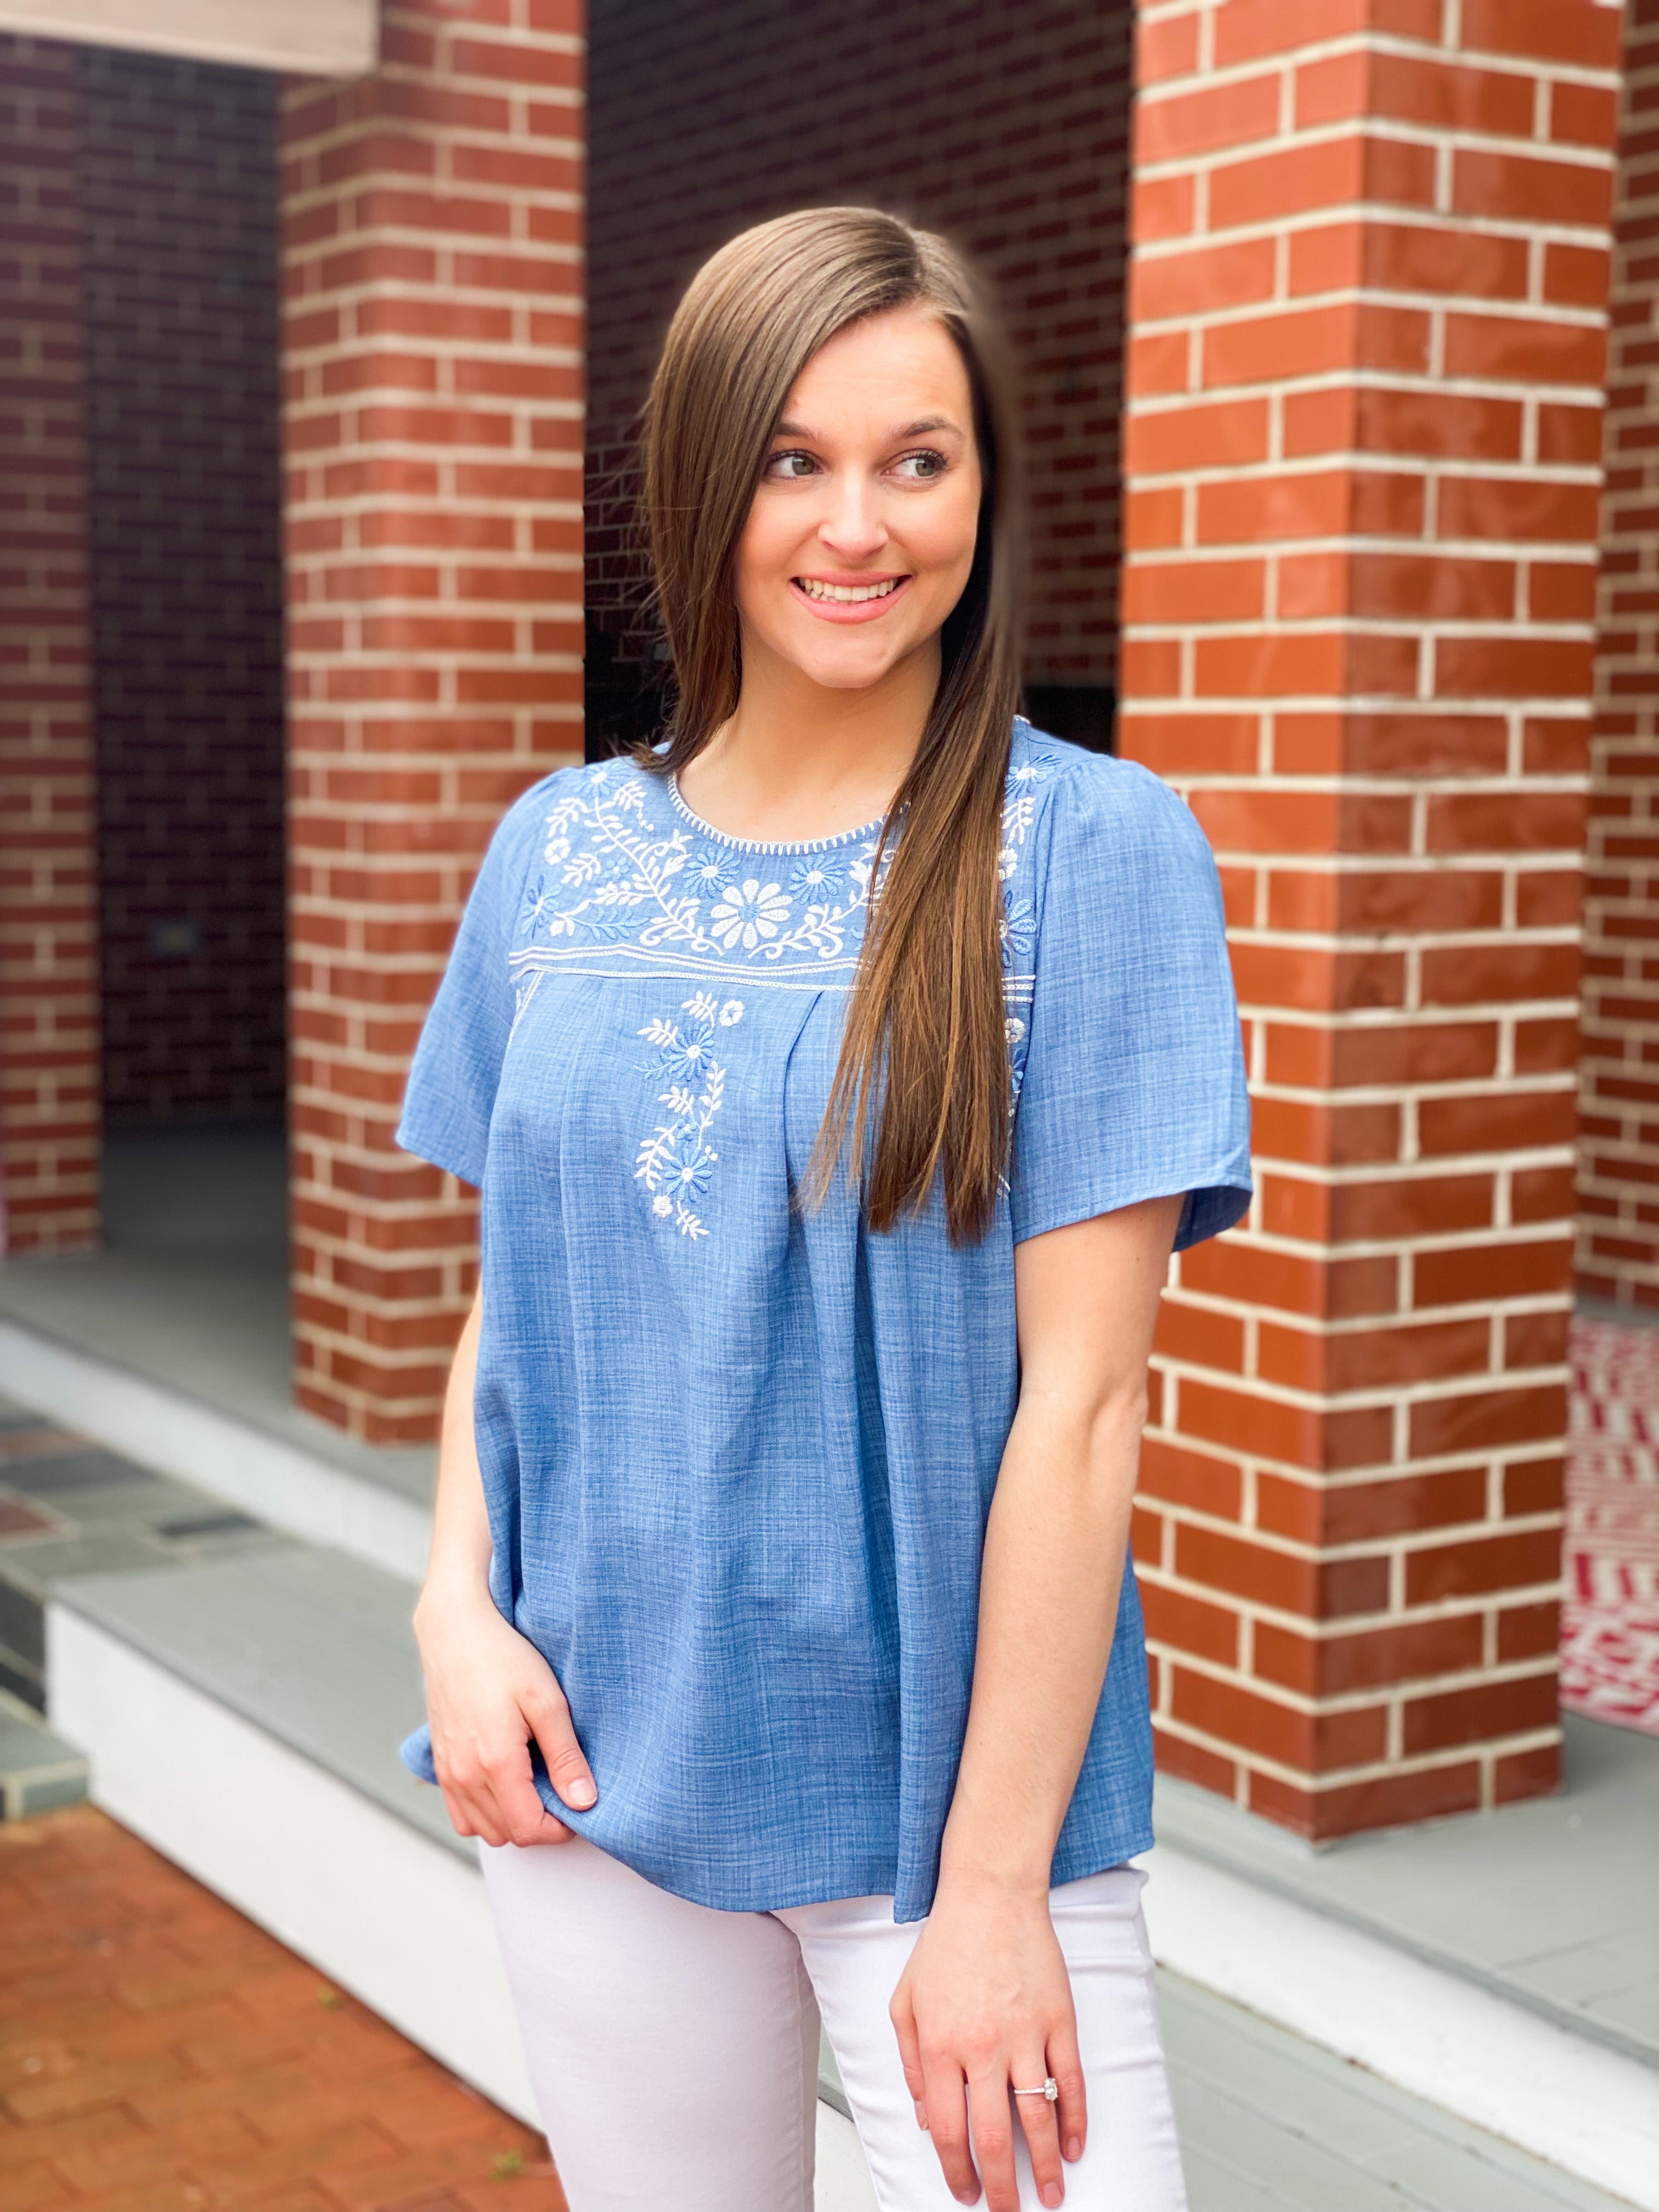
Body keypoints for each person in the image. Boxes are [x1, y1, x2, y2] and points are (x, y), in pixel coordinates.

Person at [398, 206, 1251, 2212]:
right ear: (707, 483)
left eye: (916, 459)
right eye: (794, 459)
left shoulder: (1095, 850)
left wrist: (994, 1891)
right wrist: (450, 1606)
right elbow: (520, 1296)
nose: (857, 526)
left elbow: (1084, 1409)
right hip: (588, 1760)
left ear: (985, 487)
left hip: (946, 1810)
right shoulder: (559, 848)